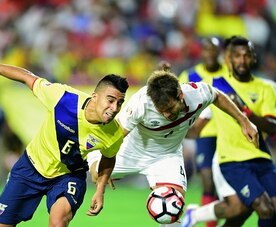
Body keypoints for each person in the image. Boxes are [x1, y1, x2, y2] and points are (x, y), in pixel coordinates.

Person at [0, 44, 129, 227]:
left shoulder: (114, 133)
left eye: (120, 103)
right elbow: (26, 77)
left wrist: (100, 190)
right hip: (30, 167)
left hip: (68, 175)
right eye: (110, 100)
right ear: (95, 97)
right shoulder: (64, 98)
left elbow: (108, 158)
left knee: (57, 222)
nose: (115, 108)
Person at [87, 63, 259, 227]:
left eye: (169, 108)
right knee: (96, 174)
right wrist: (101, 185)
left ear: (181, 96)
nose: (166, 114)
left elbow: (218, 96)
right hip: (129, 152)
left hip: (166, 157)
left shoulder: (197, 93)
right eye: (161, 110)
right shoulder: (142, 102)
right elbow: (115, 139)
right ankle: (92, 156)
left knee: (171, 211)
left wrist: (244, 121)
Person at [181, 36, 276, 227]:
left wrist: (245, 111)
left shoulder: (267, 87)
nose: (242, 60)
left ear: (253, 57)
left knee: (241, 209)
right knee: (263, 208)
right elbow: (197, 127)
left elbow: (272, 126)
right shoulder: (218, 89)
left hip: (261, 157)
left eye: (246, 55)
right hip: (231, 160)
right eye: (236, 56)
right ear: (228, 59)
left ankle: (196, 214)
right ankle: (198, 216)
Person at [179, 37, 227, 227]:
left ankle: (199, 214)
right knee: (208, 181)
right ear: (202, 52)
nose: (211, 54)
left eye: (214, 50)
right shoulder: (190, 75)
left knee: (223, 186)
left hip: (228, 135)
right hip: (204, 135)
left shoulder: (229, 73)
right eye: (207, 50)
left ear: (219, 52)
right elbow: (179, 102)